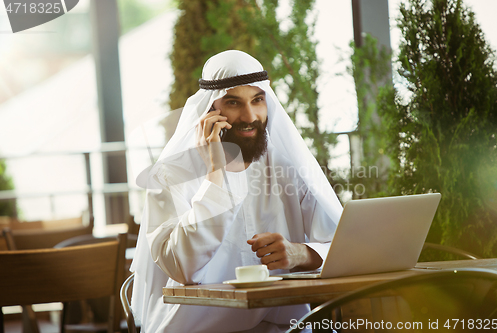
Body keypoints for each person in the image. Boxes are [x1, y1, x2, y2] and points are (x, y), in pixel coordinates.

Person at [131, 50, 343, 332]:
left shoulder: (286, 167)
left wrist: (300, 254)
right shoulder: (170, 175)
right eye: (233, 102)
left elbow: (342, 247)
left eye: (257, 100)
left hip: (282, 326)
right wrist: (215, 174)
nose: (250, 115)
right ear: (209, 110)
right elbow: (183, 267)